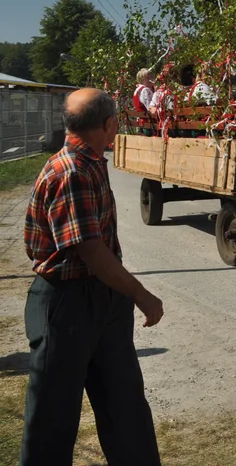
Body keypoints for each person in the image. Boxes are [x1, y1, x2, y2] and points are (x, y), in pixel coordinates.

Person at [21, 88, 164, 466]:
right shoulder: (72, 171)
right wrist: (141, 294)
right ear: (110, 124)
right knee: (52, 419)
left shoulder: (89, 161)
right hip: (67, 303)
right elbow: (91, 251)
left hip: (100, 298)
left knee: (125, 406)